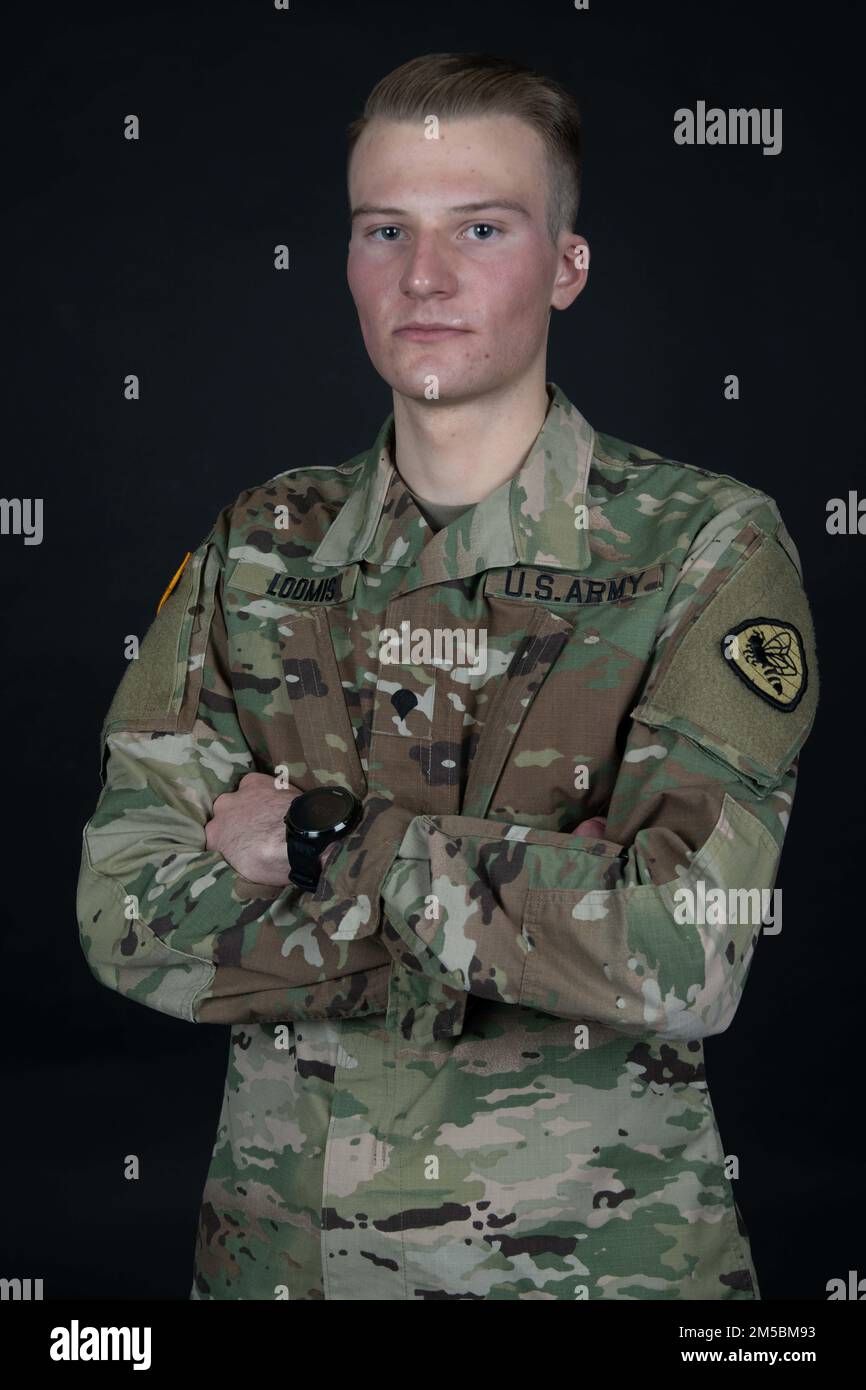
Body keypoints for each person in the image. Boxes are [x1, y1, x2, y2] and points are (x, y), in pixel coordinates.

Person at [76, 51, 819, 1301]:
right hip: (280, 1261)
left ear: (565, 267)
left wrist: (318, 841)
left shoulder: (705, 548)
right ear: (349, 260)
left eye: (481, 226)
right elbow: (120, 911)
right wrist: (531, 907)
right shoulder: (259, 544)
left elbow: (679, 954)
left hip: (589, 1265)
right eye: (385, 230)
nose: (425, 277)